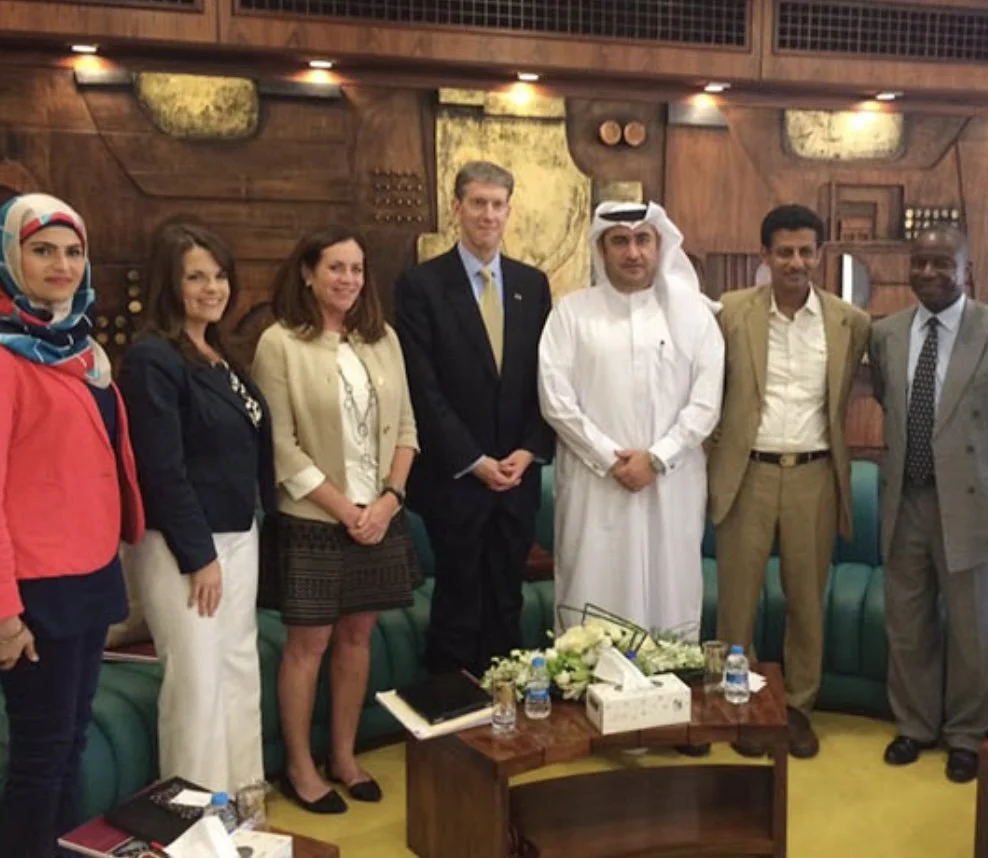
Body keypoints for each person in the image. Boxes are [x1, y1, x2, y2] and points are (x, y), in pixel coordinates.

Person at [0, 193, 144, 857]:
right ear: (5, 257)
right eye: (42, 249)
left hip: (89, 573)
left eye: (73, 251)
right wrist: (0, 614)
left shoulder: (76, 349)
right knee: (42, 754)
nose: (62, 265)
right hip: (34, 590)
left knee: (71, 743)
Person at [252, 225, 420, 813]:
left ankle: (344, 757)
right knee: (310, 644)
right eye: (335, 268)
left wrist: (388, 501)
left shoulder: (383, 338)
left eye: (356, 269)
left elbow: (406, 427)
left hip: (379, 515)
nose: (348, 279)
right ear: (307, 273)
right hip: (314, 519)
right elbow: (279, 445)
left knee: (357, 636)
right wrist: (346, 509)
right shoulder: (279, 343)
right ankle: (300, 767)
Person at [868, 224, 988, 783]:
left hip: (971, 501)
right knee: (907, 621)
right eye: (920, 261)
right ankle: (914, 725)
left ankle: (968, 734)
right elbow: (889, 404)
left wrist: (980, 474)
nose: (928, 272)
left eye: (943, 263)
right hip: (906, 499)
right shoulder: (886, 334)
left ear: (968, 269)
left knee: (976, 626)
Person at [708, 204, 870, 760]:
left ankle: (798, 706)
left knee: (806, 600)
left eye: (805, 251)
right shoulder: (731, 312)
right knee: (737, 602)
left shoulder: (850, 322)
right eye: (784, 252)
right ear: (765, 255)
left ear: (820, 254)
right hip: (746, 472)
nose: (795, 262)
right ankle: (741, 701)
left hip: (814, 475)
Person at [118, 223, 274, 796]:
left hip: (238, 533)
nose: (213, 288)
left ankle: (243, 802)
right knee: (197, 685)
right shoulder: (151, 359)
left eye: (219, 275)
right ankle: (195, 817)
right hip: (183, 546)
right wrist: (198, 556)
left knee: (238, 668)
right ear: (170, 283)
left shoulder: (219, 351)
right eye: (196, 277)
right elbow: (162, 469)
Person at [394, 161, 554, 677]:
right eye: (478, 203)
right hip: (455, 479)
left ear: (509, 211)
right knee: (458, 607)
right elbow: (423, 388)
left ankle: (505, 709)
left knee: (506, 604)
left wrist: (528, 451)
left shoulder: (533, 284)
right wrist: (474, 460)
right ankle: (450, 712)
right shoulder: (421, 285)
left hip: (517, 478)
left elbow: (545, 380)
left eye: (497, 204)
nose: (488, 214)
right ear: (457, 207)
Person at [539, 201, 724, 640]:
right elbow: (556, 400)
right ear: (602, 249)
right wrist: (611, 458)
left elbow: (706, 403)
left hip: (671, 484)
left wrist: (656, 458)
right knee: (592, 595)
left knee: (669, 596)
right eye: (620, 241)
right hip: (595, 484)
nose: (633, 252)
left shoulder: (694, 315)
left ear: (660, 246)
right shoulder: (570, 313)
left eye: (643, 239)